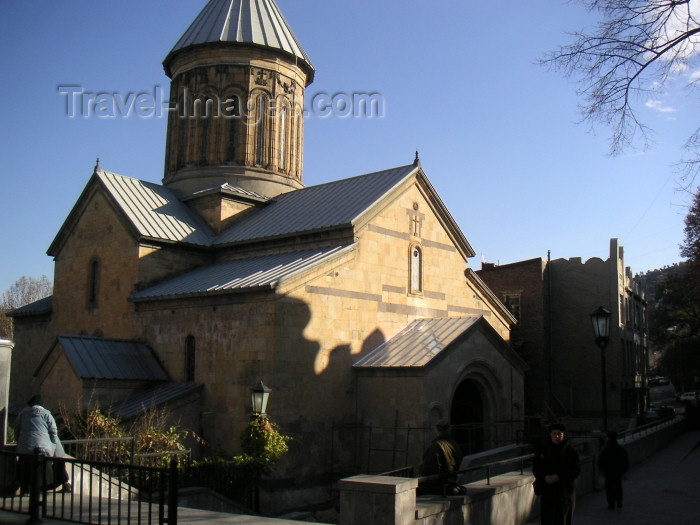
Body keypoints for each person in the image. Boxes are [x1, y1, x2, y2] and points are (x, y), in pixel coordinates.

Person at [14, 395, 71, 493]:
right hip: (44, 449)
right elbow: (53, 432)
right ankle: (64, 482)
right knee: (59, 452)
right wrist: (53, 446)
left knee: (24, 460)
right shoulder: (47, 414)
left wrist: (19, 442)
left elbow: (17, 430)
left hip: (24, 449)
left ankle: (22, 484)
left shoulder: (23, 413)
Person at [532, 423, 580, 525]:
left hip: (564, 492)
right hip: (547, 492)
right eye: (554, 433)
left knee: (562, 519)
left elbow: (575, 470)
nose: (556, 436)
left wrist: (559, 477)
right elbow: (536, 468)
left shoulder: (570, 451)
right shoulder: (543, 451)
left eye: (559, 434)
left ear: (563, 435)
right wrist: (545, 478)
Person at [418, 419, 464, 495]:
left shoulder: (436, 446)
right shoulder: (455, 444)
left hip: (442, 484)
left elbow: (430, 469)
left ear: (437, 431)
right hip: (453, 481)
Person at [597, 430, 629, 509]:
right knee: (618, 486)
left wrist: (603, 470)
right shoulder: (620, 449)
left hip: (608, 472)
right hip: (618, 472)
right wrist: (622, 471)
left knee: (609, 488)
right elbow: (626, 461)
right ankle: (619, 500)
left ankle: (611, 504)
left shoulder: (605, 449)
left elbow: (601, 461)